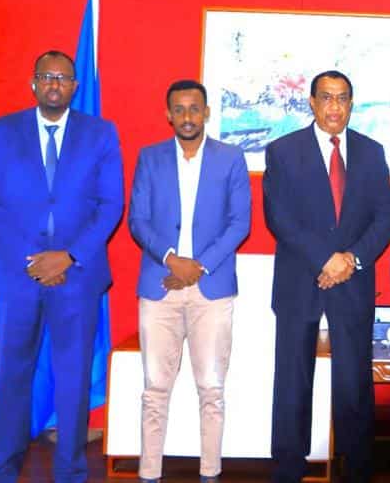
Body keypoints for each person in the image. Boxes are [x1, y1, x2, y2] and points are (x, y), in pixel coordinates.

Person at [0, 50, 124, 483]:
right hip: (17, 276)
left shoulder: (100, 133)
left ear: (75, 87)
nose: (54, 84)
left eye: (63, 77)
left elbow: (110, 203)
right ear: (33, 83)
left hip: (77, 277)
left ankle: (70, 471)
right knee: (12, 375)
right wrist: (32, 259)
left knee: (73, 379)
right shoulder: (0, 132)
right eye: (46, 76)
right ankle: (3, 469)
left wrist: (68, 256)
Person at [263, 70, 390, 483]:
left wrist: (350, 260)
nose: (334, 106)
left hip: (353, 280)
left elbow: (385, 216)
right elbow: (279, 216)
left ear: (351, 104)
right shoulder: (283, 150)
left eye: (342, 98)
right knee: (292, 378)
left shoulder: (371, 151)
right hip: (299, 278)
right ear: (312, 102)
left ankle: (356, 467)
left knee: (354, 380)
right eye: (326, 97)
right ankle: (288, 467)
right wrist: (325, 259)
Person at [128, 79, 251, 483]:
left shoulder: (230, 158)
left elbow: (240, 223)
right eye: (178, 109)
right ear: (168, 114)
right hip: (160, 285)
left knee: (212, 389)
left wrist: (198, 266)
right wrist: (171, 260)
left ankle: (210, 473)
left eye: (194, 108)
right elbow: (138, 220)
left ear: (206, 112)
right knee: (154, 389)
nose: (187, 116)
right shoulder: (150, 158)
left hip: (211, 290)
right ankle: (149, 473)